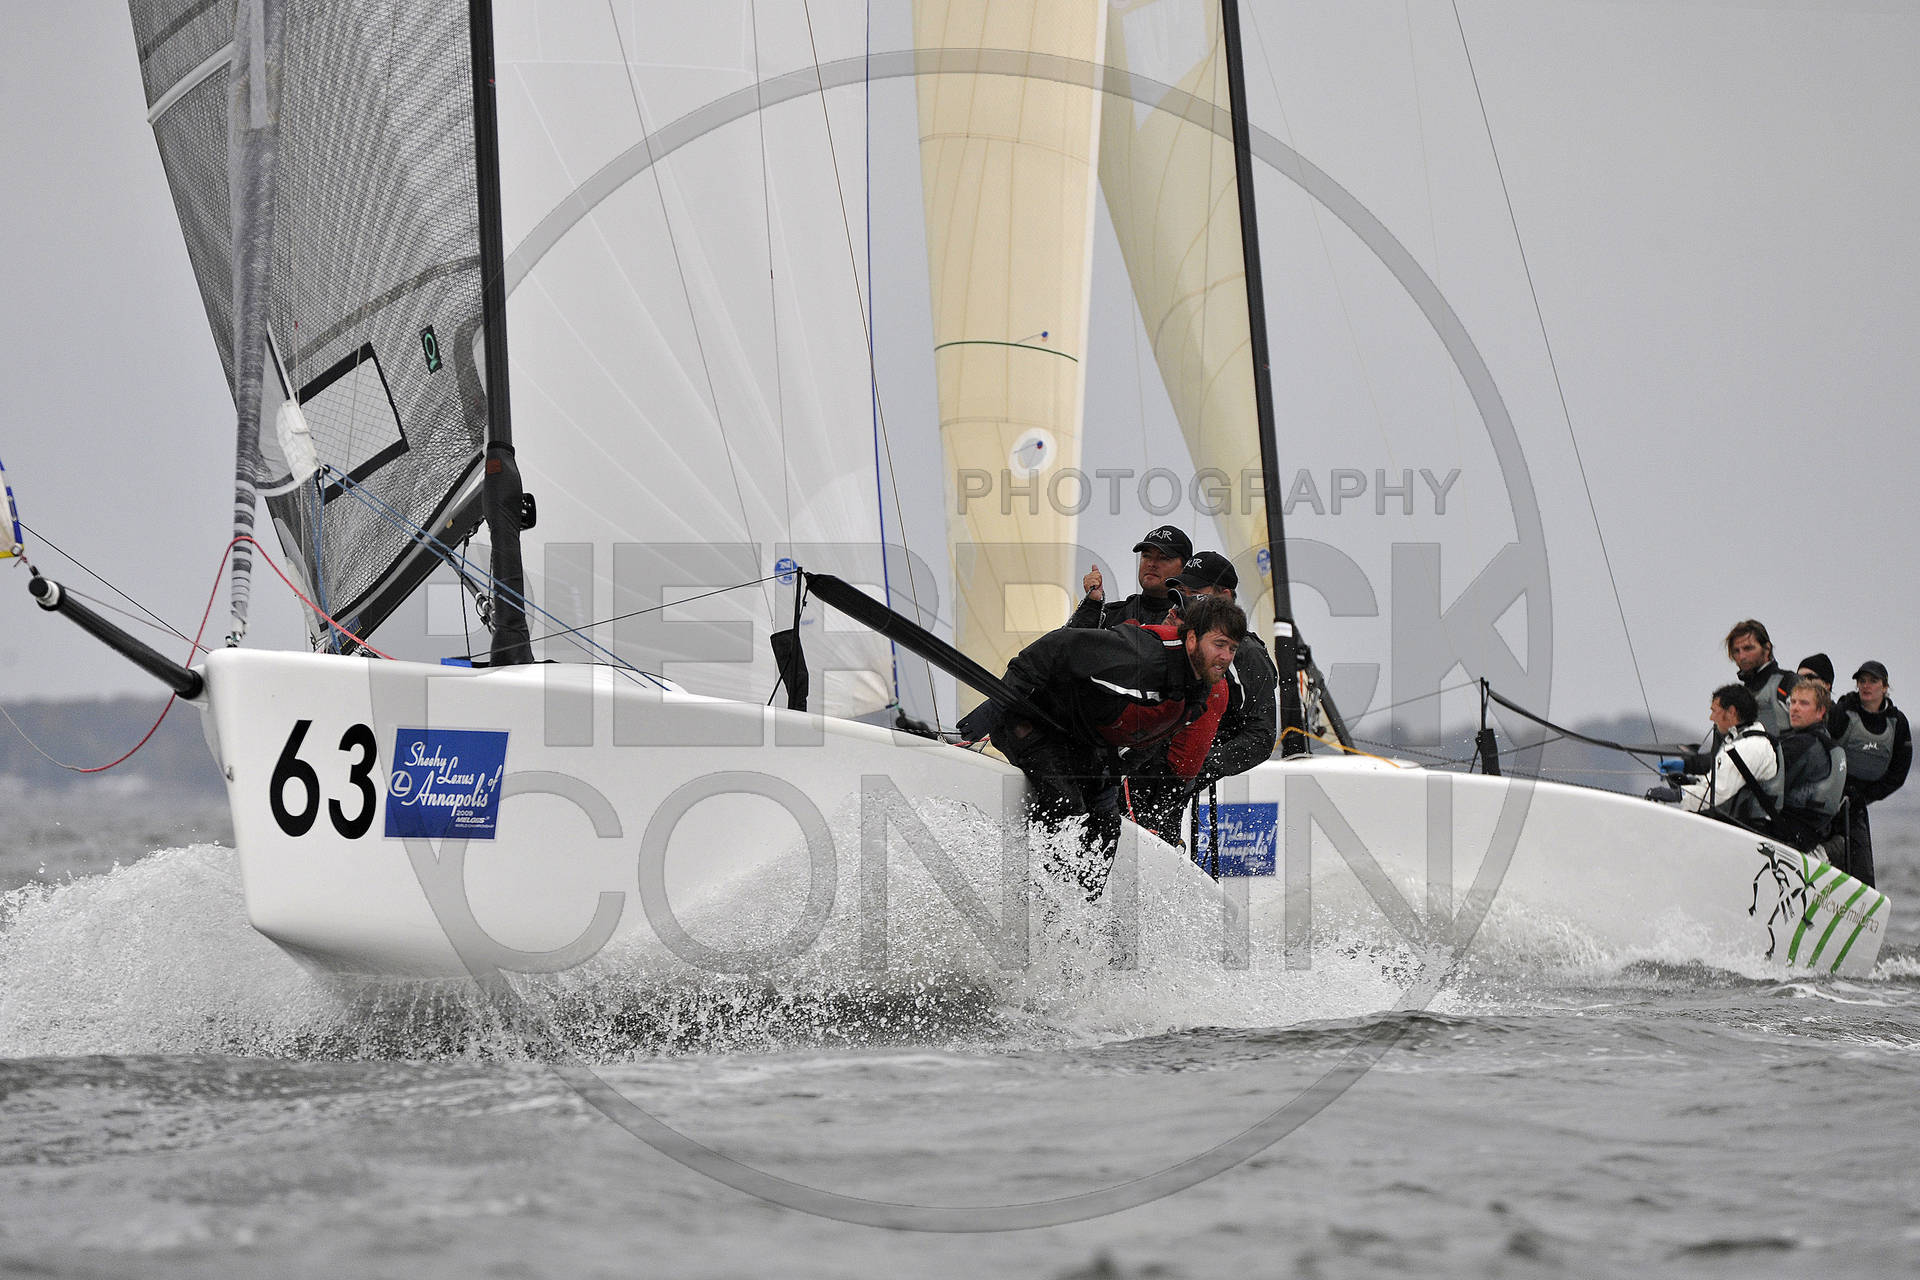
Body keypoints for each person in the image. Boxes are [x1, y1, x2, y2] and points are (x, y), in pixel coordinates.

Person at [982, 594, 1243, 899]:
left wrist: (1114, 771)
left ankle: (1082, 909)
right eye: (1219, 644)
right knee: (1067, 806)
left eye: (1232, 648)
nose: (1225, 656)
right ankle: (1033, 898)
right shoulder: (1143, 655)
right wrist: (1000, 701)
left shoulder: (1200, 688)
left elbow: (1150, 736)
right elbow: (1057, 645)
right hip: (1029, 719)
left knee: (1107, 826)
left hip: (1077, 738)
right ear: (1192, 639)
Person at [1127, 551, 1279, 855]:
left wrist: (1199, 767)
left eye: (1195, 592)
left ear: (1225, 596)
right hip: (1138, 763)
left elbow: (1261, 738)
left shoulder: (1246, 653)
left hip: (1178, 774)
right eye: (1181, 591)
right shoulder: (1175, 631)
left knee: (1149, 851)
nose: (1184, 600)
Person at [1830, 660, 1910, 887]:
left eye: (1873, 681)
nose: (1866, 686)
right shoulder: (1843, 712)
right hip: (1830, 796)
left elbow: (1898, 774)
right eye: (1861, 681)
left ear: (1885, 687)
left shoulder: (1897, 722)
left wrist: (1866, 796)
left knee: (1861, 869)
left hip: (1858, 803)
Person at [1657, 684, 1780, 827]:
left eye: (1714, 711)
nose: (1711, 718)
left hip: (1751, 828)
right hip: (1737, 824)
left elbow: (1718, 793)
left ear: (1731, 712)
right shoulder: (1741, 740)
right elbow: (1721, 783)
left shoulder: (1749, 746)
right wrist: (1690, 781)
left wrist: (1678, 794)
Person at [1068, 524, 1192, 629]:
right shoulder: (1111, 615)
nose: (1151, 564)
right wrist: (1092, 604)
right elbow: (1070, 645)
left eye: (1163, 558)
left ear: (1185, 568)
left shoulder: (1194, 620)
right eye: (1146, 556)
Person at [1773, 679, 1846, 855]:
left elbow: (1767, 783)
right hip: (1812, 833)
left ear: (1820, 711)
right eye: (1793, 702)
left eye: (1804, 703)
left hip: (1790, 833)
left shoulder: (1802, 745)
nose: (1795, 708)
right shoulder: (1823, 739)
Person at [1724, 619, 1795, 737]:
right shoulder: (1736, 697)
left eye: (1748, 648)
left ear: (1767, 648)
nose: (1742, 656)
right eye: (1736, 651)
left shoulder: (1787, 683)